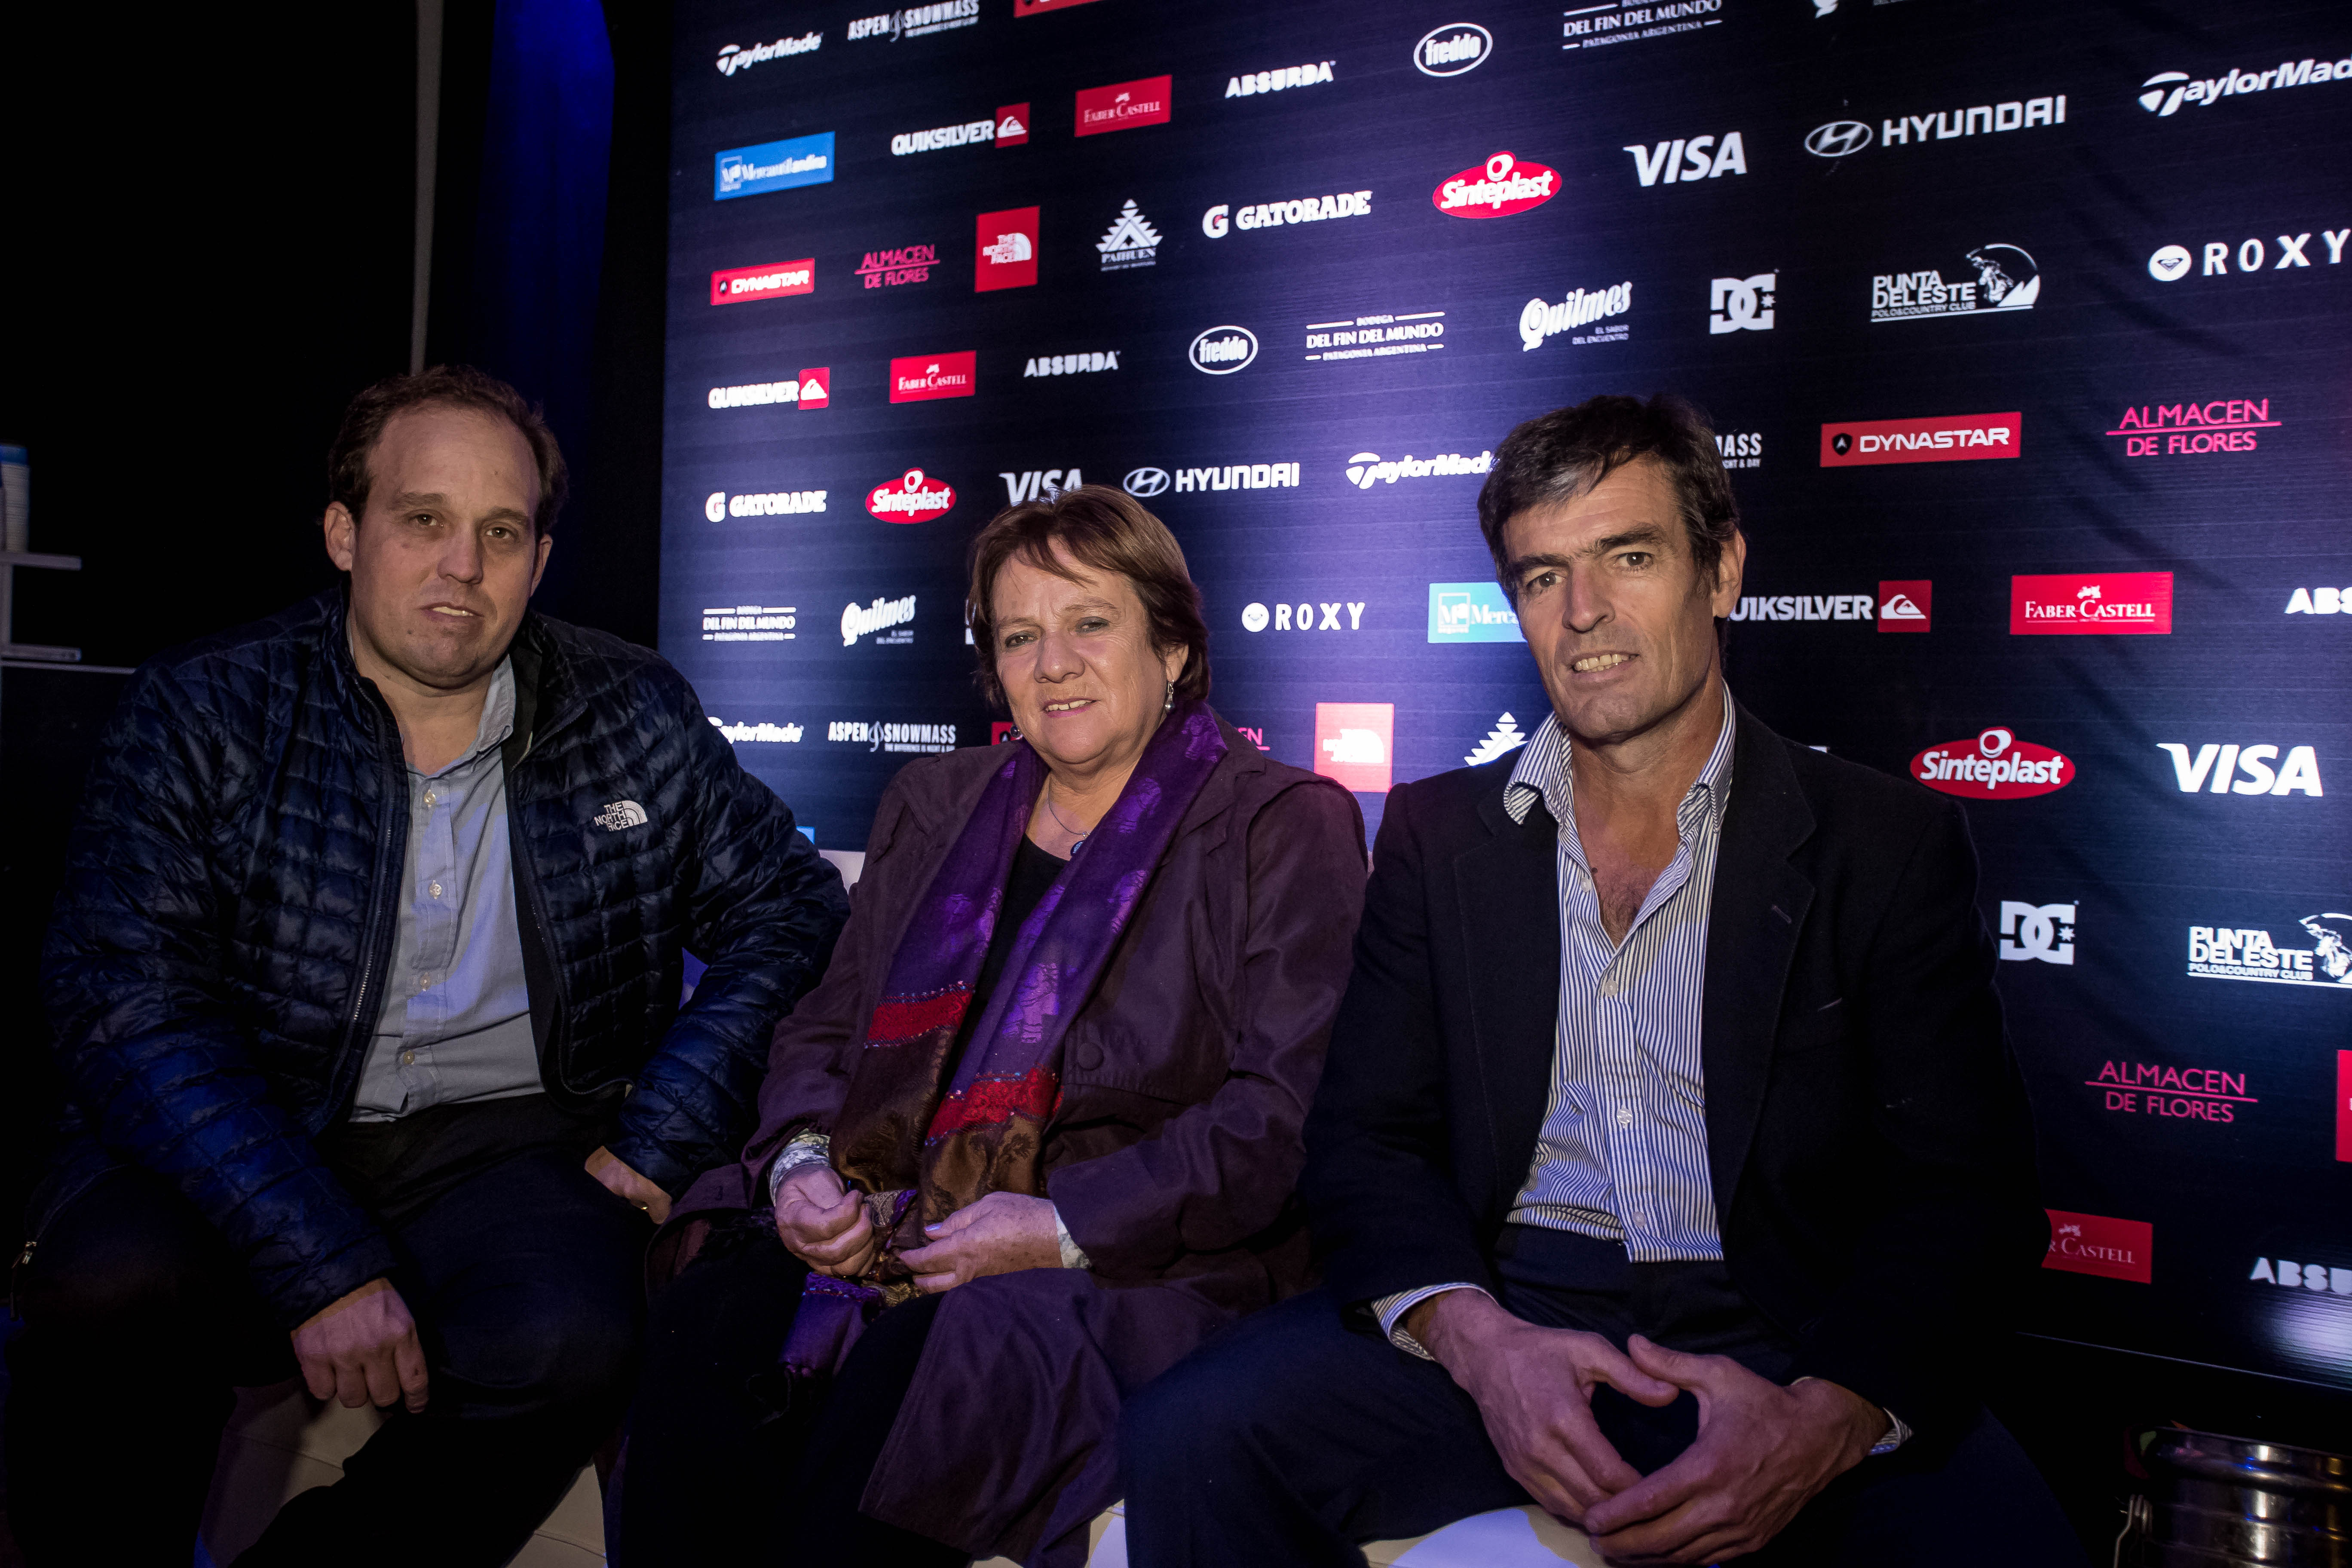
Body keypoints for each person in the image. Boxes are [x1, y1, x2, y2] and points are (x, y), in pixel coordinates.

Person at [1121, 395, 2083, 1566]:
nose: (1584, 616)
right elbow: (1366, 1143)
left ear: (1721, 570)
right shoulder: (1435, 835)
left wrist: (1824, 1422)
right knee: (1190, 1438)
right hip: (1515, 1307)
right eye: (1541, 576)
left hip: (1786, 1328)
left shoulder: (1881, 843)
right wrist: (1481, 1347)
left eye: (1628, 558)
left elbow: (1965, 1199)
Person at [9, 365, 848, 1566]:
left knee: (580, 1337)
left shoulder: (632, 709)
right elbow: (123, 1003)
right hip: (246, 1115)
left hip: (501, 1146)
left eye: (501, 532)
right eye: (425, 520)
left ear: (539, 560)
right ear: (346, 533)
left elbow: (793, 907)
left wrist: (664, 1136)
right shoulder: (204, 708)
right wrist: (321, 1260)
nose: (464, 564)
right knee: (108, 1291)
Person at [615, 485, 1367, 1568]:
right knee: (717, 1309)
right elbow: (824, 1029)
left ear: (1173, 647)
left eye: (1090, 623)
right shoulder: (935, 802)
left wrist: (1057, 1226)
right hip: (887, 1211)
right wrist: (804, 1168)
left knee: (925, 1372)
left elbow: (1276, 1122)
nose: (1053, 664)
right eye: (1021, 636)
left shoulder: (1280, 824)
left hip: (1127, 1258)